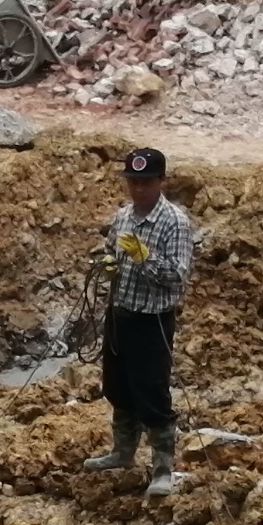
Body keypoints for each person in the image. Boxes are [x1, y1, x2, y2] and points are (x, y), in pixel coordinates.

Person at [80, 146, 197, 496]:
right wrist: (107, 263)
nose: (138, 189)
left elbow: (176, 276)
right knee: (117, 387)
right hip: (120, 314)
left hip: (152, 321)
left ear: (161, 181)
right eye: (133, 182)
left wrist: (145, 258)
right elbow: (110, 251)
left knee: (152, 393)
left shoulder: (174, 222)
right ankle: (122, 452)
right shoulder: (123, 217)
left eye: (145, 182)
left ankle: (162, 469)